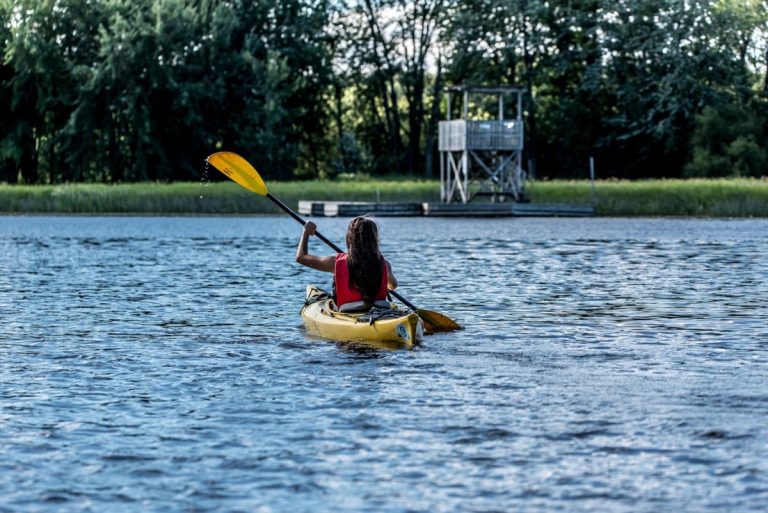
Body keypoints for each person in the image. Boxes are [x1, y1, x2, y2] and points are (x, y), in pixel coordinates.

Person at [296, 216, 397, 311]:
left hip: (348, 310)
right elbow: (393, 286)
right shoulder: (384, 264)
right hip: (379, 309)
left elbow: (301, 257)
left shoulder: (335, 262)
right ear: (375, 239)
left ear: (349, 239)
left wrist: (306, 232)